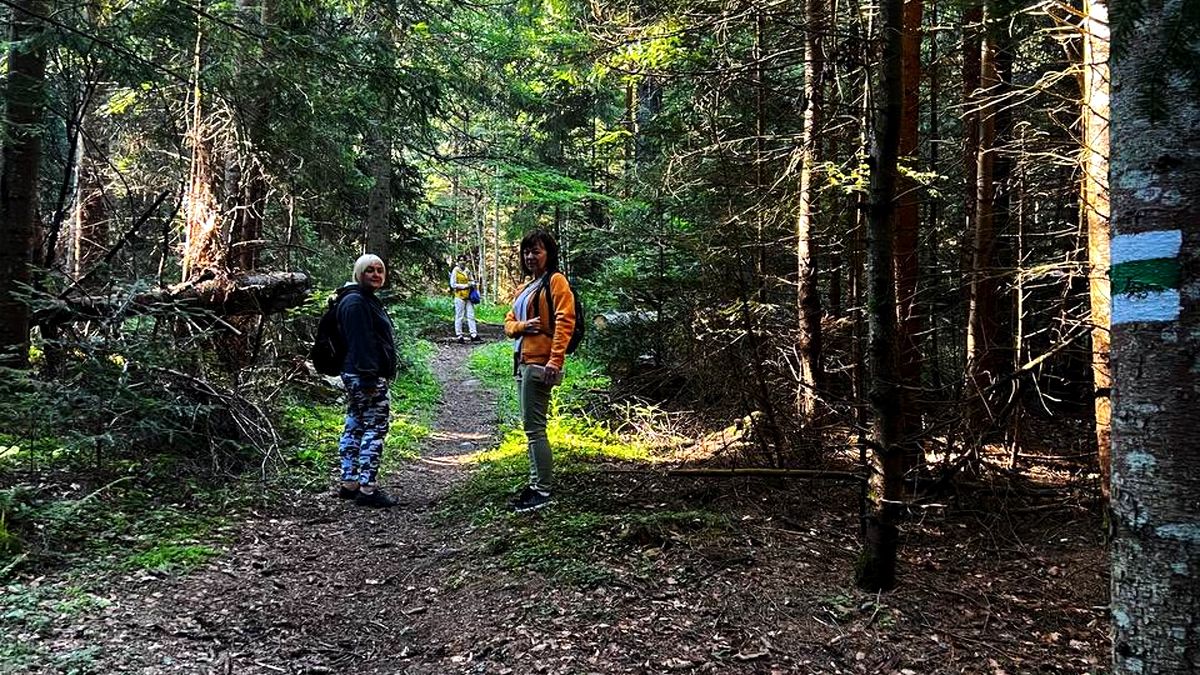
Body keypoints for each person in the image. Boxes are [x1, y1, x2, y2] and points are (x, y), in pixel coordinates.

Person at [503, 230, 576, 512]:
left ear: (549, 254)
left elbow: (565, 321)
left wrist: (555, 361)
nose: (530, 257)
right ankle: (535, 485)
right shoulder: (527, 286)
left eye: (536, 251)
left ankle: (542, 490)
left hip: (540, 364)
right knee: (530, 428)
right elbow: (509, 324)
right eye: (527, 252)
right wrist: (522, 326)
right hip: (523, 362)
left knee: (535, 429)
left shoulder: (556, 281)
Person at [335, 253, 399, 508]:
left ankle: (350, 482)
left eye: (379, 270)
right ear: (359, 273)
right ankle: (367, 488)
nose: (375, 274)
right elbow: (362, 343)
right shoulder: (357, 303)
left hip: (354, 373)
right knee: (374, 428)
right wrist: (370, 377)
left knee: (355, 424)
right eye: (369, 270)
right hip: (364, 375)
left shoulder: (358, 299)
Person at [449, 253, 479, 343]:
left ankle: (473, 334)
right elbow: (453, 284)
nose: (462, 262)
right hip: (459, 296)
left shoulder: (467, 271)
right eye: (460, 260)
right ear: (458, 262)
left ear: (466, 262)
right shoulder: (455, 271)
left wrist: (473, 283)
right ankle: (459, 335)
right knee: (459, 316)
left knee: (471, 315)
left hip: (469, 296)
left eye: (464, 260)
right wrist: (465, 286)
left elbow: (472, 280)